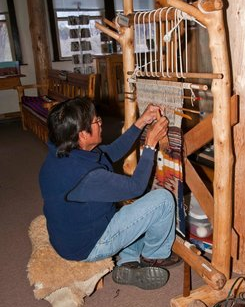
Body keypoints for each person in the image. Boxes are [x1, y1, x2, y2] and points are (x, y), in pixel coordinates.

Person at [39, 96, 180, 290]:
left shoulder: (64, 152)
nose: (100, 122)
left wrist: (141, 122)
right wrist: (150, 145)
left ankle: (127, 261)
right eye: (95, 121)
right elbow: (136, 187)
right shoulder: (86, 177)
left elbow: (111, 152)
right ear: (82, 135)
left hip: (69, 237)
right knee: (163, 200)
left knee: (134, 214)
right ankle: (153, 257)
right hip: (88, 246)